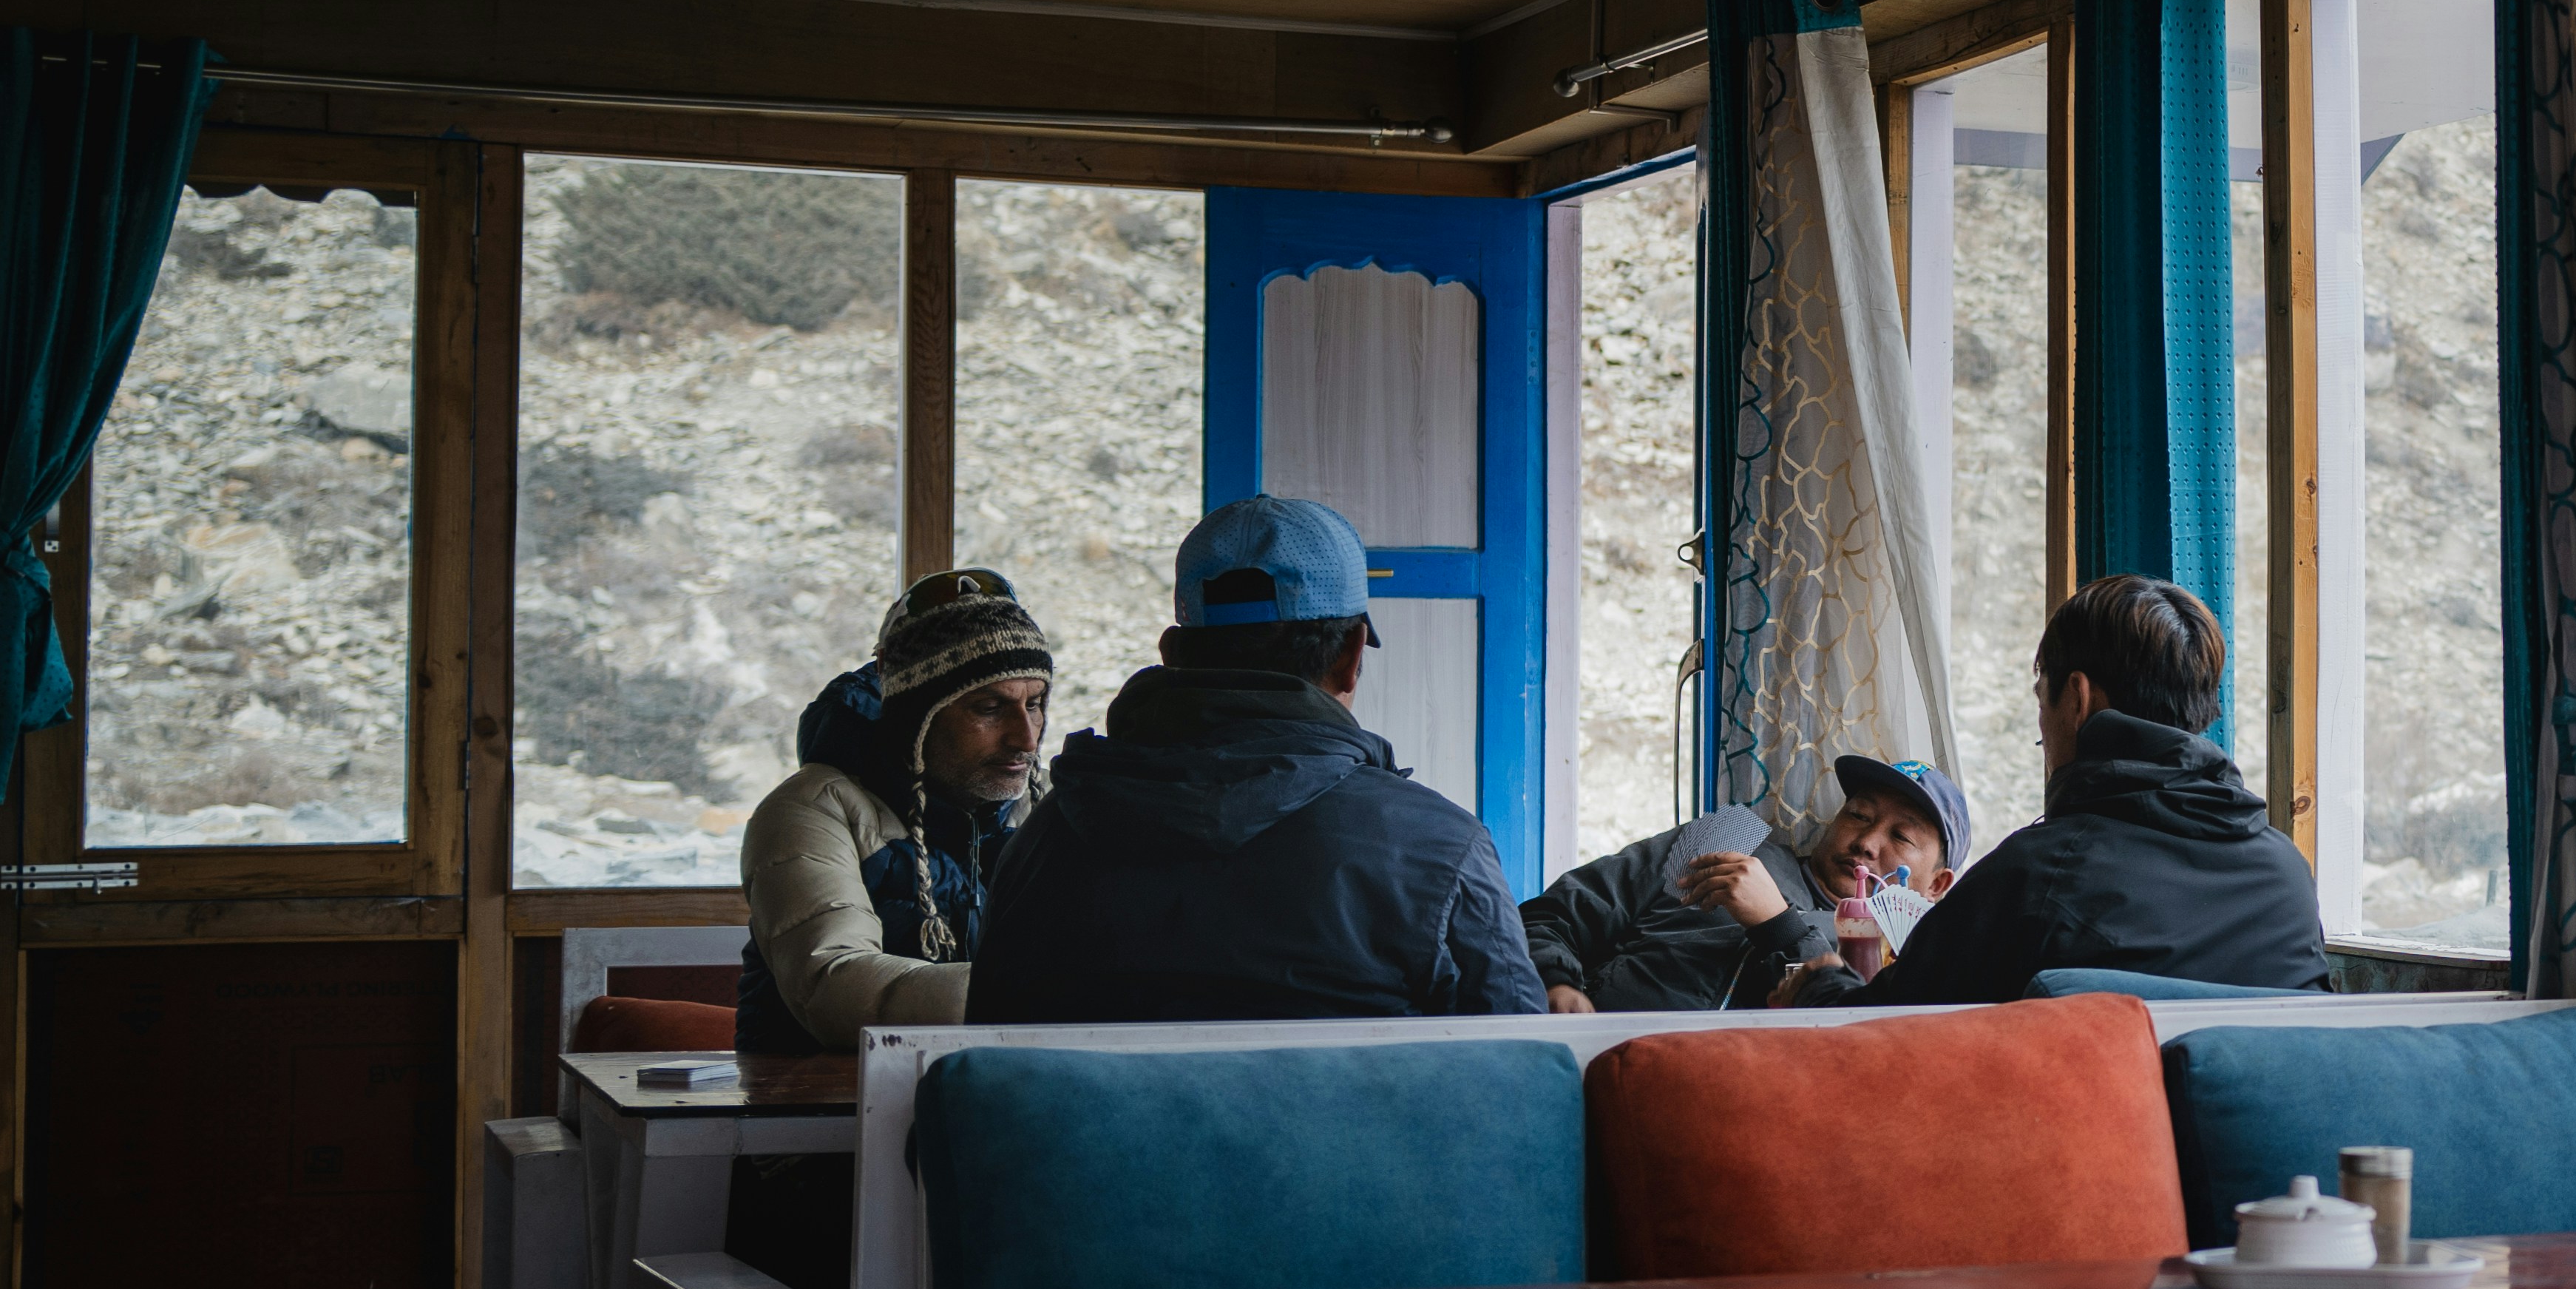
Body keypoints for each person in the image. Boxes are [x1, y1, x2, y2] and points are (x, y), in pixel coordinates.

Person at [972, 495, 1538, 1022]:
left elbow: (985, 1059)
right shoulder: (1440, 847)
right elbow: (1525, 1073)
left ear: (1171, 654)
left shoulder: (1044, 841)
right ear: (1350, 655)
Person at [1832, 576, 2323, 1004]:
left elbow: (1887, 1026)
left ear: (2077, 698)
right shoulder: (2286, 873)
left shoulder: (2039, 874)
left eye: (2041, 703)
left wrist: (1819, 989)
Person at [733, 565, 1054, 1054]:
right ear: (914, 718)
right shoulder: (814, 810)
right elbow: (834, 983)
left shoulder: (1051, 805)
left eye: (1034, 704)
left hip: (1005, 1094)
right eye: (989, 708)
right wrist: (1054, 995)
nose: (1025, 739)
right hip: (813, 1110)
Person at [1523, 752, 1973, 1013]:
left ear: (1937, 885)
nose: (1868, 843)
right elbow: (1550, 915)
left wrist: (1778, 925)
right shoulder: (1726, 843)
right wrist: (1556, 983)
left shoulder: (1914, 961)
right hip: (1596, 1051)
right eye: (1857, 815)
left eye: (1901, 836)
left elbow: (1846, 1027)